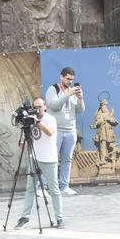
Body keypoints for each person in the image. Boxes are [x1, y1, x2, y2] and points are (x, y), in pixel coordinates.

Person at [12, 98, 63, 231]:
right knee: (30, 189)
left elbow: (50, 132)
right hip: (35, 158)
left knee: (54, 190)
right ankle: (25, 217)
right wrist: (24, 141)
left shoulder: (49, 118)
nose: (37, 109)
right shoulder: (31, 118)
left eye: (39, 106)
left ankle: (59, 217)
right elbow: (32, 138)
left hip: (49, 159)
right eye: (35, 107)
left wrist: (37, 122)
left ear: (45, 107)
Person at [43, 66, 83, 195]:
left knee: (67, 159)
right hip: (55, 130)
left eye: (72, 79)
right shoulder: (53, 89)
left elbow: (80, 111)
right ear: (61, 77)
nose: (70, 82)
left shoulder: (73, 91)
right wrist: (67, 95)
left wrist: (80, 98)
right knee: (51, 159)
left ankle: (64, 186)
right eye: (67, 79)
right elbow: (54, 105)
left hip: (70, 130)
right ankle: (42, 186)